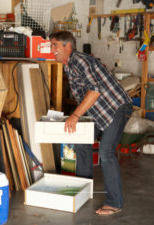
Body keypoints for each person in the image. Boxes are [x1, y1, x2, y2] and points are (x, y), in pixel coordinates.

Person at [49, 31, 133, 215]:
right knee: (81, 142)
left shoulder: (78, 60)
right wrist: (72, 115)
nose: (51, 49)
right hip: (99, 112)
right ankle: (83, 190)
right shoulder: (69, 66)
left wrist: (75, 116)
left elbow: (94, 91)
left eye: (55, 45)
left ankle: (115, 203)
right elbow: (86, 95)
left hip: (116, 107)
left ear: (67, 46)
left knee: (106, 151)